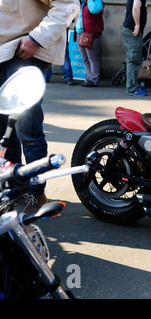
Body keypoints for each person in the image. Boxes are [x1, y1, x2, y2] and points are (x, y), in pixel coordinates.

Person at [0, 0, 79, 214]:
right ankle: (13, 187)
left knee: (26, 127)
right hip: (4, 50)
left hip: (24, 49)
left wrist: (36, 39)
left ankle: (36, 192)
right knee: (3, 129)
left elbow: (68, 4)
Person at [122, 0, 148, 96]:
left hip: (129, 29)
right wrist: (137, 25)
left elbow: (126, 11)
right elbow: (135, 8)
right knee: (133, 60)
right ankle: (132, 88)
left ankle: (133, 85)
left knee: (133, 59)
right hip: (133, 31)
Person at [76, 0, 104, 87]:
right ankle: (88, 79)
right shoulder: (82, 3)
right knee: (85, 59)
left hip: (92, 34)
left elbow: (93, 10)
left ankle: (94, 80)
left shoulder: (97, 2)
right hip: (80, 33)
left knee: (92, 58)